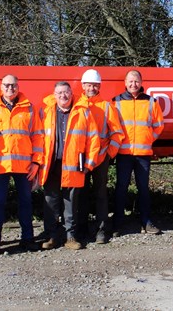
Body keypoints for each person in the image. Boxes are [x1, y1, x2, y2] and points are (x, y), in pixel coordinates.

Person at [0, 75, 43, 254]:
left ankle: (28, 239)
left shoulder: (29, 108)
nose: (10, 88)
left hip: (24, 166)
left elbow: (37, 136)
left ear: (18, 86)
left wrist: (36, 161)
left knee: (26, 202)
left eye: (13, 85)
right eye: (6, 85)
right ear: (1, 86)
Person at [39, 81, 100, 250]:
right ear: (54, 95)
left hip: (73, 164)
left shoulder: (83, 112)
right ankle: (51, 236)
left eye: (65, 92)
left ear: (71, 93)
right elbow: (37, 138)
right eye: (59, 93)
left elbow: (93, 139)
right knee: (50, 201)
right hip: (51, 164)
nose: (62, 96)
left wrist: (89, 164)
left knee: (71, 202)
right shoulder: (46, 112)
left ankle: (70, 237)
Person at [113, 70, 165, 235]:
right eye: (130, 81)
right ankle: (118, 222)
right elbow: (112, 127)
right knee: (121, 188)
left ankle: (146, 221)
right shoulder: (116, 102)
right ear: (125, 82)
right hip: (123, 153)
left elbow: (159, 125)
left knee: (143, 188)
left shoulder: (151, 102)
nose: (133, 84)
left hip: (143, 154)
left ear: (141, 82)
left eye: (136, 81)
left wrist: (148, 140)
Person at [76, 68, 123, 244]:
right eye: (89, 85)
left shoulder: (106, 106)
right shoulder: (77, 105)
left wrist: (109, 154)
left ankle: (102, 229)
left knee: (100, 193)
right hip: (81, 156)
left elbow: (117, 133)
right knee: (80, 192)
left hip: (101, 157)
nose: (92, 88)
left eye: (95, 85)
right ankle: (81, 228)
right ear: (83, 85)